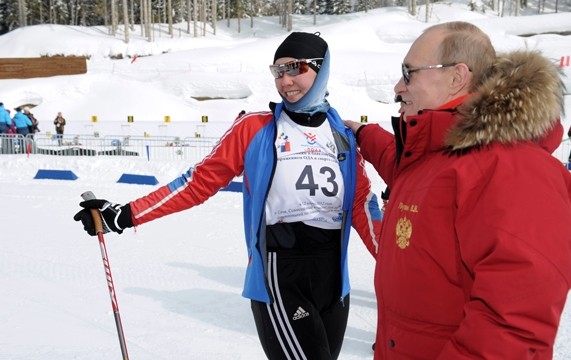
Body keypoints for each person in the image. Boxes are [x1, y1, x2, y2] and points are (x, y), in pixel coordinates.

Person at [74, 31, 382, 360]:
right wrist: (125, 215)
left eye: (295, 68)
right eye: (278, 71)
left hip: (334, 280)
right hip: (280, 273)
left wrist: (403, 265)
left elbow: (364, 206)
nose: (286, 81)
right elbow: (197, 182)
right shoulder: (254, 128)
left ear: (321, 69)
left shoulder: (343, 135)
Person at [344, 21, 571, 359]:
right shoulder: (436, 157)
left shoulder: (514, 169)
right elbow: (407, 169)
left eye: (409, 73)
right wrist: (364, 133)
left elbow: (511, 329)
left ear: (457, 76)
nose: (398, 87)